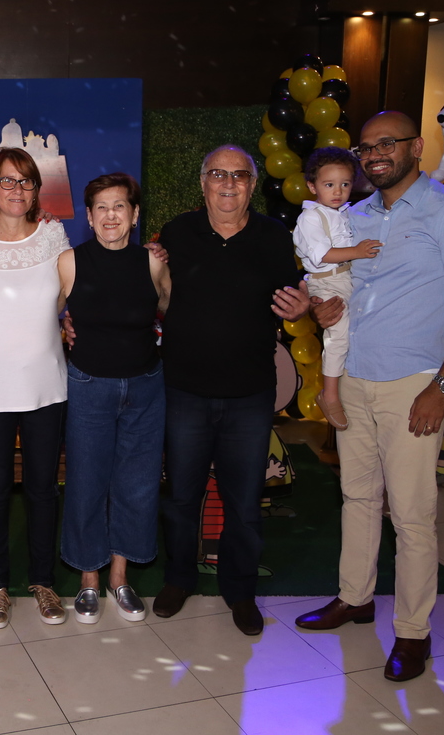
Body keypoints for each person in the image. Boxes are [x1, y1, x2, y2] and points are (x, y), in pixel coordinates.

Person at [296, 112, 444, 682]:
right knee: (357, 498)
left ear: (417, 147)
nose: (375, 155)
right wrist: (321, 307)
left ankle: (413, 631)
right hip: (354, 377)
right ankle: (354, 597)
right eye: (366, 148)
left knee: (411, 514)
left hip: (416, 383)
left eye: (387, 143)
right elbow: (336, 288)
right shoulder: (354, 215)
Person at [152, 145, 310, 636]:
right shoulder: (177, 233)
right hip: (184, 390)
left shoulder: (274, 236)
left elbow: (292, 298)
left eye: (239, 175)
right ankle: (179, 578)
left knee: (244, 501)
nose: (228, 183)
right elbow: (160, 299)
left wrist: (301, 305)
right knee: (182, 497)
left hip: (249, 394)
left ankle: (240, 590)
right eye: (218, 174)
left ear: (252, 185)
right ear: (203, 183)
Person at [0, 147, 70, 629]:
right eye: (7, 180)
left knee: (44, 489)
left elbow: (67, 294)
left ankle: (43, 581)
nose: (17, 190)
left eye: (26, 181)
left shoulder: (53, 236)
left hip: (47, 384)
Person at [58, 173, 171, 625]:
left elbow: (171, 307)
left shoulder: (153, 263)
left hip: (146, 387)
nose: (110, 215)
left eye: (119, 206)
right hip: (89, 386)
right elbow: (41, 317)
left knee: (137, 484)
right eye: (101, 207)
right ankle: (89, 577)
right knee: (87, 482)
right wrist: (62, 327)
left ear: (134, 214)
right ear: (88, 217)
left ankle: (119, 577)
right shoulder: (69, 262)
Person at [292, 147, 382, 429]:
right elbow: (323, 254)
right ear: (312, 186)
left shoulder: (344, 213)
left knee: (359, 331)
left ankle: (351, 388)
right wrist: (357, 251)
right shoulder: (311, 217)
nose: (338, 191)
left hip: (346, 277)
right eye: (329, 185)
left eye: (345, 184)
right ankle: (329, 394)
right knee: (339, 334)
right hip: (327, 280)